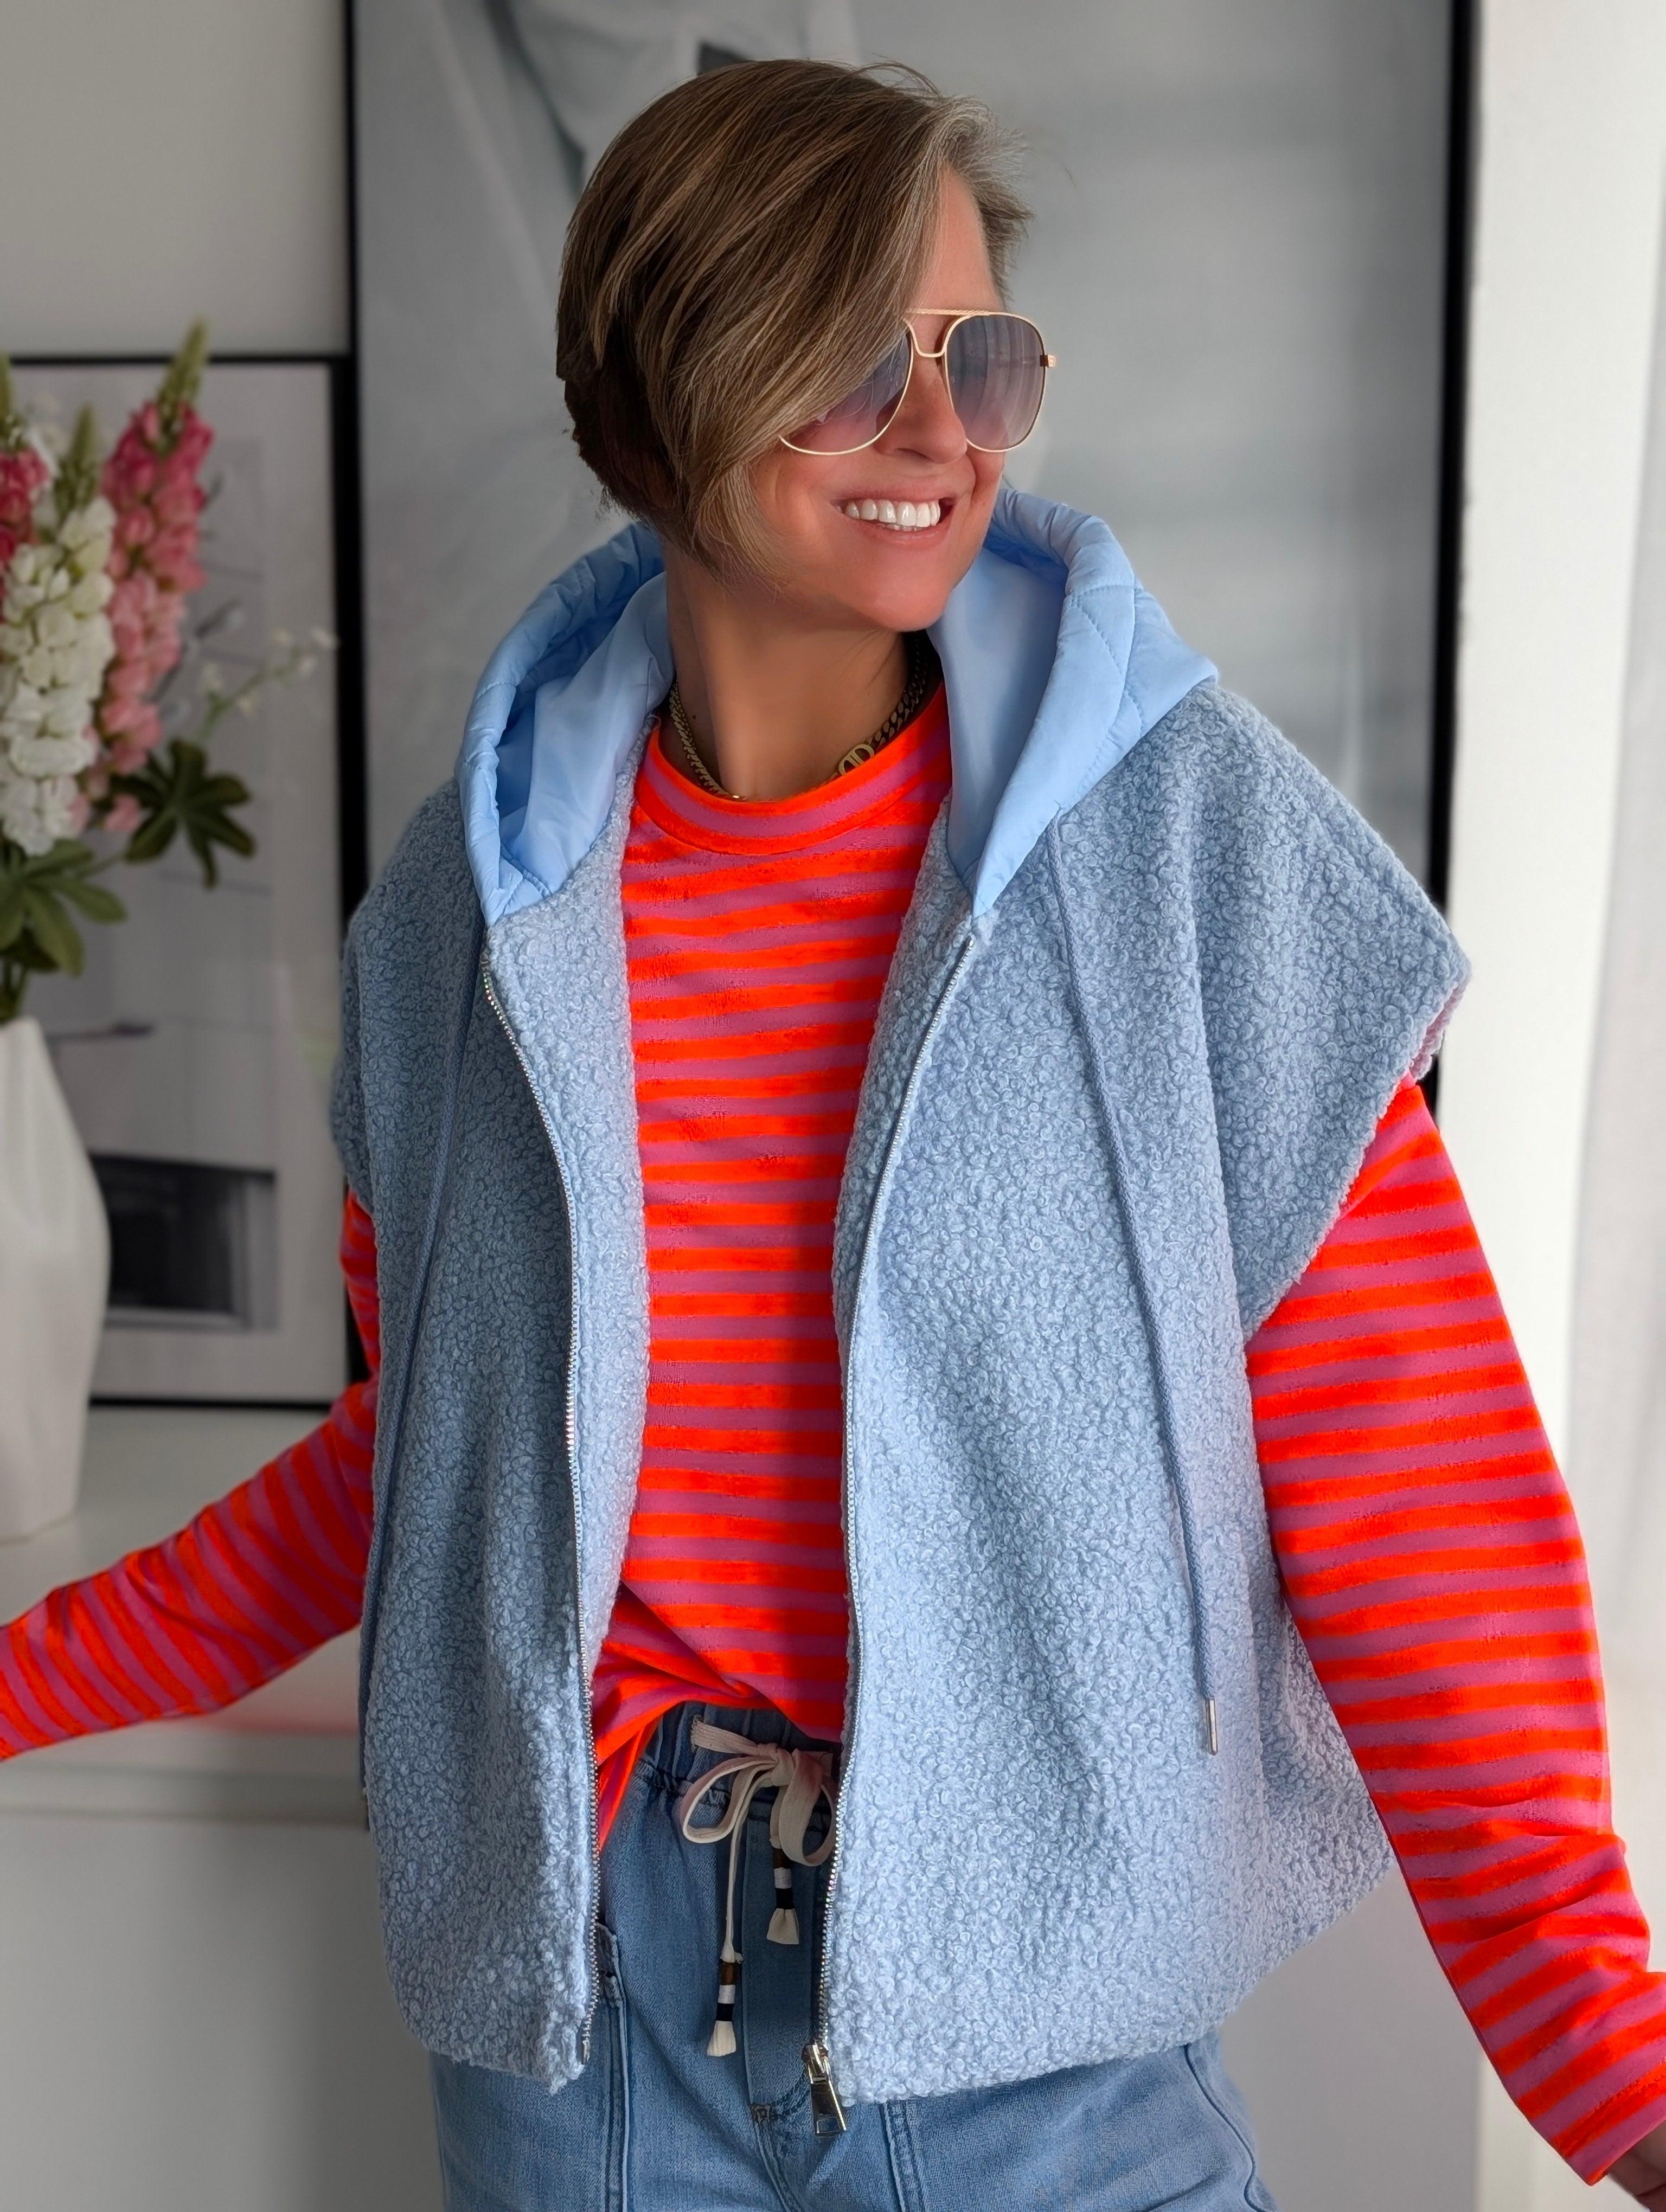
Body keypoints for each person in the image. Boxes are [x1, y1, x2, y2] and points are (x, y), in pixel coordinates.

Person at [4, 60, 1665, 2212]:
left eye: (984, 359)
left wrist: (1619, 2077)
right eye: (860, 364)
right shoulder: (469, 925)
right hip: (586, 2043)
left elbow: (1417, 1503)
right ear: (657, 399)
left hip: (1045, 2052)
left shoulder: (1189, 866)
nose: (946, 432)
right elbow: (423, 1481)